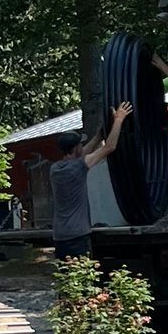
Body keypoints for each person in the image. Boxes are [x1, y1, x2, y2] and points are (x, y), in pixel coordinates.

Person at [48, 100, 131, 260]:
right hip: (78, 235)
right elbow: (109, 147)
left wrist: (99, 135)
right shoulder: (79, 167)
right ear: (76, 148)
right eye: (80, 144)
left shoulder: (55, 169)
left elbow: (83, 153)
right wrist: (119, 119)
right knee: (82, 275)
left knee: (67, 276)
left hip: (60, 235)